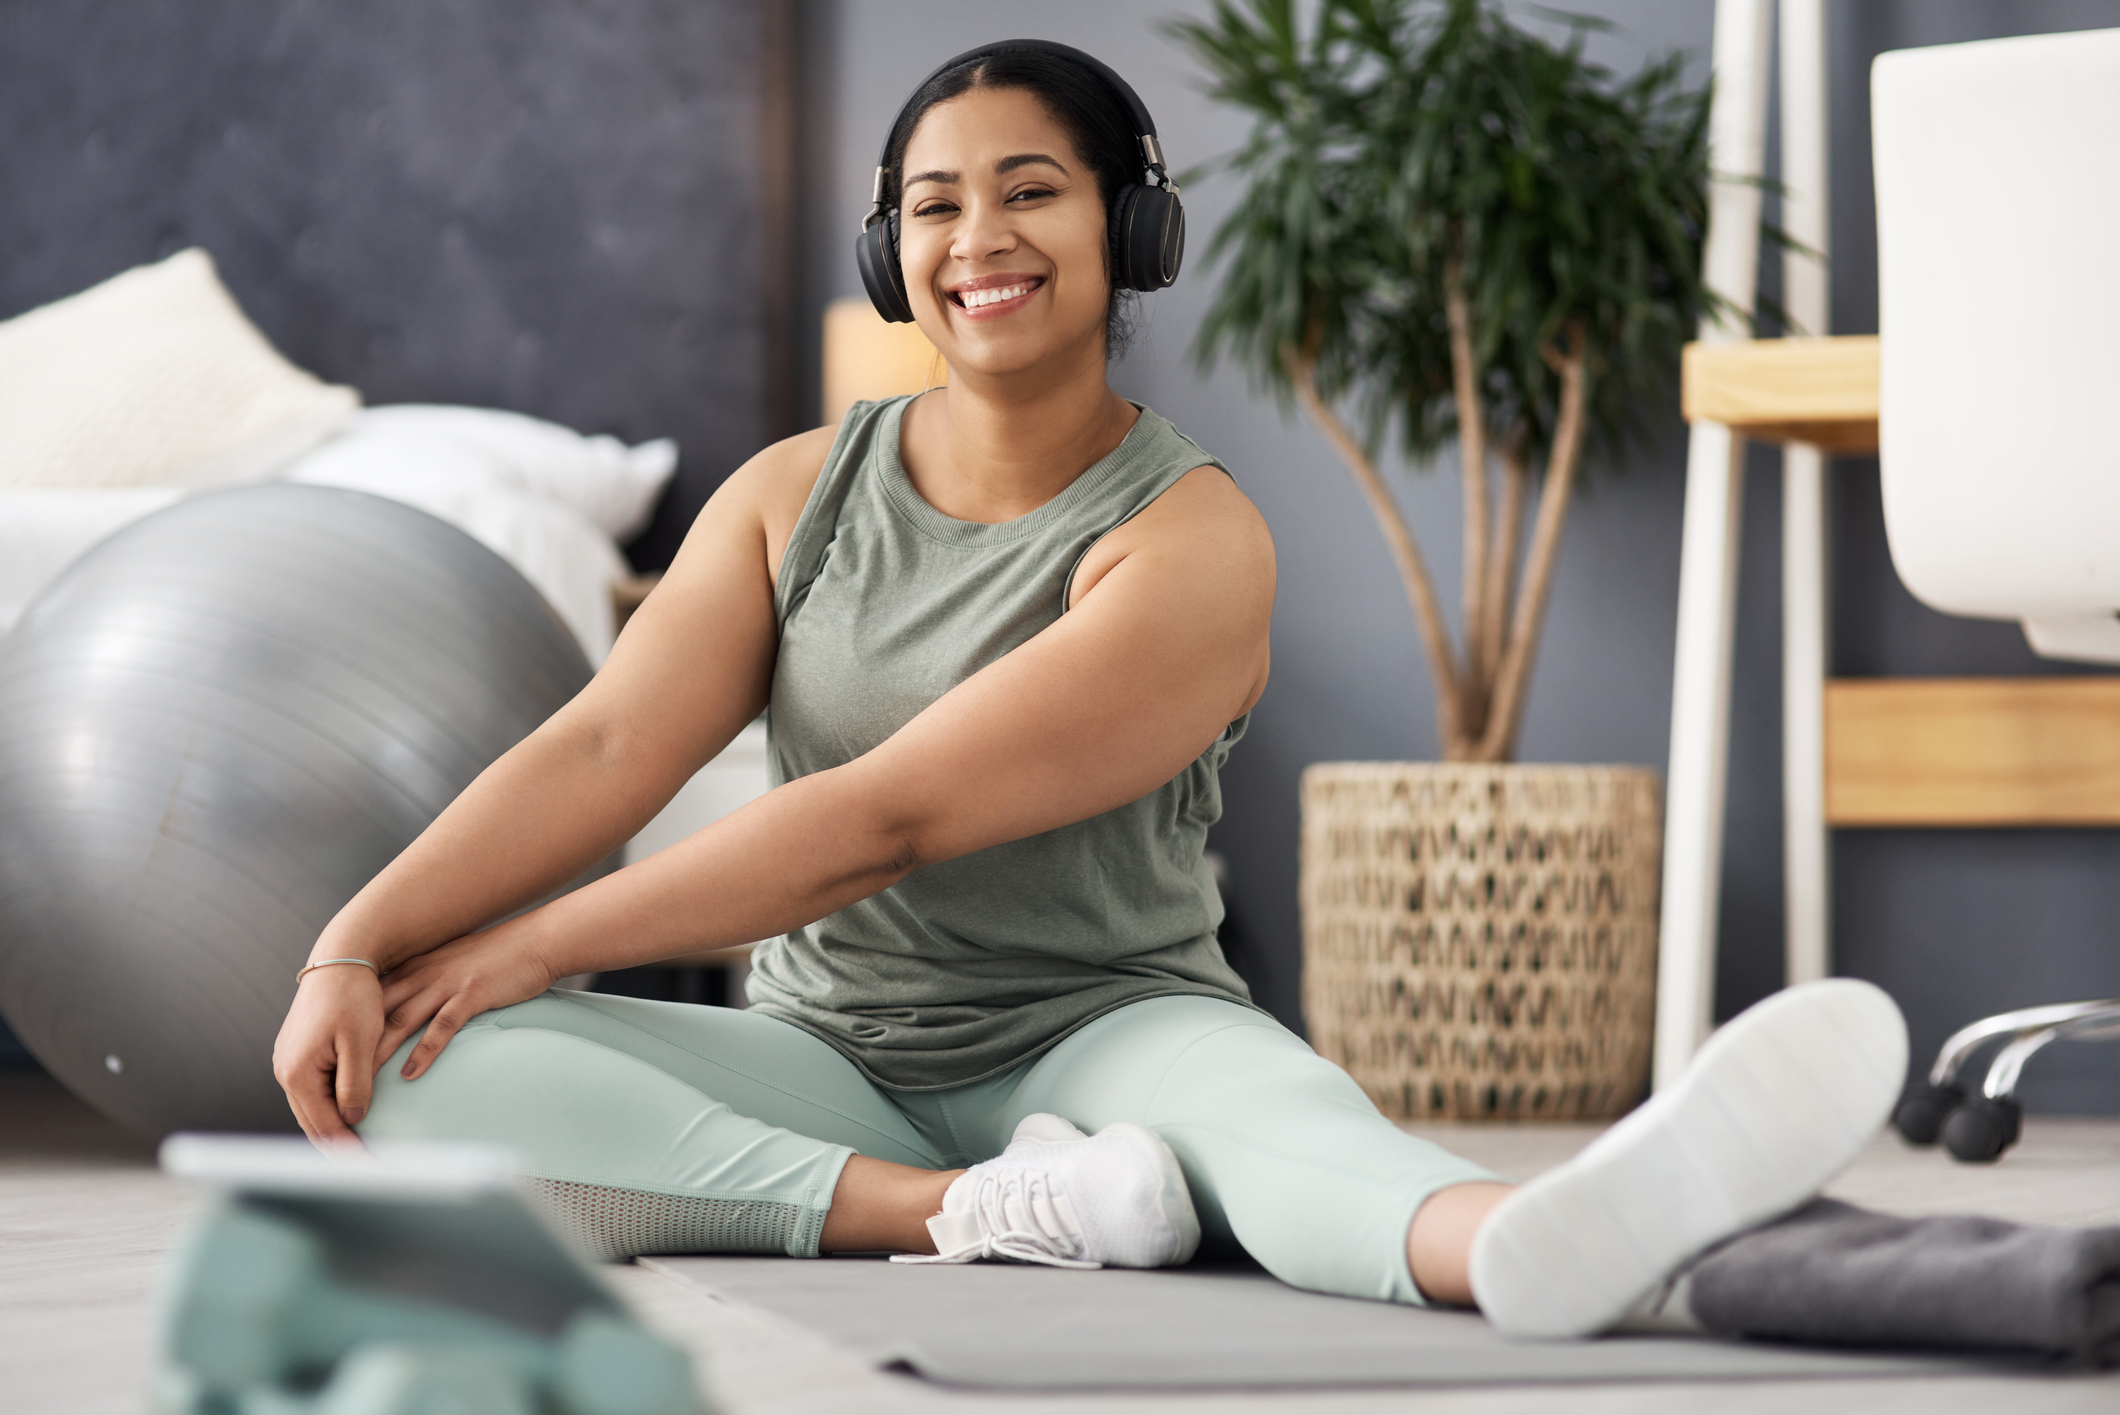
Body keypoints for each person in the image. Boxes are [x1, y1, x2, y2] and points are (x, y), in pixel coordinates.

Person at [270, 40, 1904, 1337]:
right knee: (426, 1070)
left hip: (1106, 1038)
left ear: (1132, 229)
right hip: (827, 1059)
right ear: (888, 250)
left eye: (1030, 192)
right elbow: (610, 741)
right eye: (931, 206)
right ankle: (965, 1214)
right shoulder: (788, 496)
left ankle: (1553, 1235)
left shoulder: (1193, 543)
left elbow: (884, 817)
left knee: (1304, 1148)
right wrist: (364, 945)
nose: (975, 239)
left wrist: (531, 942)